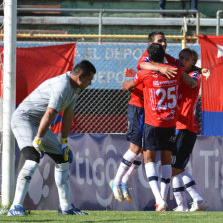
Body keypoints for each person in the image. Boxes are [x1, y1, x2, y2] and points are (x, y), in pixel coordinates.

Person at [7, 60, 96, 216]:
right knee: (33, 156)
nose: (90, 83)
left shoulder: (75, 88)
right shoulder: (62, 86)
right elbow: (49, 114)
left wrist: (63, 142)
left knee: (63, 158)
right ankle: (15, 207)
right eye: (90, 79)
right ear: (80, 77)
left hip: (38, 123)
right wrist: (37, 141)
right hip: (24, 119)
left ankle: (66, 208)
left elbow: (68, 114)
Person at [122, 43, 197, 211]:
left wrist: (127, 81)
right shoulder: (176, 71)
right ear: (164, 56)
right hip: (170, 123)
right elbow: (192, 83)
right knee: (166, 161)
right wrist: (196, 70)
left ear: (149, 57)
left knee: (148, 159)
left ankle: (159, 200)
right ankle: (163, 198)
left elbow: (127, 87)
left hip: (153, 122)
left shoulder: (144, 74)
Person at [110, 32, 177, 203]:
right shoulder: (147, 58)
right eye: (159, 41)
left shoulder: (167, 58)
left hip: (153, 111)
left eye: (165, 40)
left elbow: (181, 67)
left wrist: (198, 70)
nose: (163, 43)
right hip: (139, 107)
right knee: (136, 148)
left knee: (144, 150)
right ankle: (116, 181)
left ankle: (124, 181)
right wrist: (159, 68)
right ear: (150, 44)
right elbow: (142, 66)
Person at [171, 48, 209, 212]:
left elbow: (188, 79)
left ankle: (195, 200)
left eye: (186, 59)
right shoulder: (181, 75)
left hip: (186, 127)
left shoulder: (194, 76)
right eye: (180, 57)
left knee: (175, 168)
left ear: (193, 62)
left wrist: (179, 68)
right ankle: (185, 205)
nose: (182, 60)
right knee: (175, 168)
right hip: (176, 125)